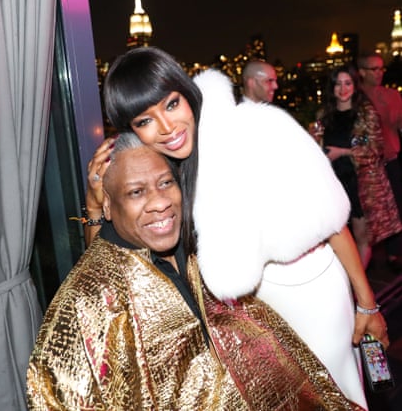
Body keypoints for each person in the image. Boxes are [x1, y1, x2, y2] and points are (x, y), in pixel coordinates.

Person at [85, 47, 388, 409]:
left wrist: (368, 306)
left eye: (170, 104)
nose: (166, 128)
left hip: (309, 291)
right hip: (241, 318)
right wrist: (93, 204)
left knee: (331, 397)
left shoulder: (256, 128)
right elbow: (110, 264)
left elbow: (334, 224)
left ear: (187, 93)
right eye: (144, 121)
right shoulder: (165, 174)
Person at [27, 133, 362, 410]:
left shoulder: (204, 253)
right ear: (109, 207)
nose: (159, 202)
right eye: (136, 192)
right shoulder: (85, 300)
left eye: (165, 183)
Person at [314, 65, 402, 269]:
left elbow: (374, 150)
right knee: (335, 236)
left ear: (355, 86)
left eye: (347, 83)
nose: (342, 89)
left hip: (361, 183)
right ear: (332, 88)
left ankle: (357, 285)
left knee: (362, 237)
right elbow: (316, 145)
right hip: (333, 183)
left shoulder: (366, 113)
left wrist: (341, 152)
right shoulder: (323, 115)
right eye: (337, 84)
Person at [358, 52, 402, 268]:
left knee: (397, 206)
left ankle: (394, 254)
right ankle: (368, 254)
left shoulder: (393, 95)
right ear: (362, 72)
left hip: (392, 159)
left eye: (381, 68)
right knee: (372, 213)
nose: (379, 73)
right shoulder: (357, 97)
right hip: (369, 165)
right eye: (373, 69)